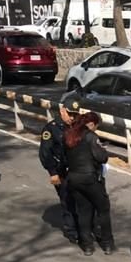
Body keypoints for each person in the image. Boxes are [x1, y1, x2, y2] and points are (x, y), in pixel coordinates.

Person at [64, 111, 115, 256]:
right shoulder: (91, 137)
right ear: (92, 124)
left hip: (74, 178)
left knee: (84, 211)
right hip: (90, 178)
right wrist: (104, 151)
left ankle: (87, 245)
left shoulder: (69, 135)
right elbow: (101, 157)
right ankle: (107, 244)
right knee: (103, 210)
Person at [38, 93, 81, 243]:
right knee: (67, 200)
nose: (72, 118)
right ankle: (72, 231)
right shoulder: (52, 129)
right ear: (63, 111)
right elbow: (45, 153)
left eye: (75, 115)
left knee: (81, 200)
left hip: (77, 170)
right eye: (70, 114)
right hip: (61, 171)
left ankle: (84, 228)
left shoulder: (77, 127)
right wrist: (53, 173)